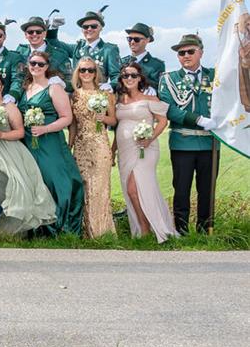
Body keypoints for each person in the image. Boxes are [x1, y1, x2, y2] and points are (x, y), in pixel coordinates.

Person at [0, 71, 56, 234]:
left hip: (7, 152)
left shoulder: (10, 107)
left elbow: (20, 132)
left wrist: (2, 135)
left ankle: (14, 228)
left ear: (2, 87)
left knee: (14, 184)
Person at [158, 33, 219, 234]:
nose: (185, 55)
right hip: (183, 142)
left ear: (201, 52)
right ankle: (181, 231)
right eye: (181, 52)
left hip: (210, 143)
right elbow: (169, 108)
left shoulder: (215, 76)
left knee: (207, 190)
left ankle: (205, 230)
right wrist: (199, 120)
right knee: (182, 189)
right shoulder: (169, 79)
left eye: (190, 51)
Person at [20, 49, 86, 234]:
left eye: (40, 64)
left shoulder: (54, 87)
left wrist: (45, 129)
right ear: (28, 65)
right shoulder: (27, 88)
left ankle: (60, 226)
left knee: (55, 180)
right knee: (37, 181)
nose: (36, 67)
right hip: (30, 143)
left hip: (50, 142)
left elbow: (66, 117)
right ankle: (39, 227)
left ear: (47, 67)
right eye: (33, 63)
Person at [115, 64, 175, 242]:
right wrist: (112, 151)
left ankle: (149, 228)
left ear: (140, 78)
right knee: (130, 189)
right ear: (121, 79)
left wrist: (149, 138)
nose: (129, 78)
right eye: (126, 75)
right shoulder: (120, 100)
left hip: (145, 149)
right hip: (124, 151)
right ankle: (143, 227)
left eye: (133, 75)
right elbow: (118, 126)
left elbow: (162, 122)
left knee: (135, 188)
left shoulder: (150, 98)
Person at [69, 57, 117, 237]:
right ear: (78, 73)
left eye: (90, 70)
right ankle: (84, 230)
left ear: (96, 73)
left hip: (100, 144)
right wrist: (70, 144)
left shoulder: (105, 94)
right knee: (84, 186)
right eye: (83, 70)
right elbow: (73, 124)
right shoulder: (74, 95)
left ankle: (101, 231)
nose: (86, 73)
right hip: (81, 145)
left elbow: (113, 120)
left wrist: (103, 118)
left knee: (99, 187)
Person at [54, 9, 121, 88]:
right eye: (85, 27)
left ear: (101, 28)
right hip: (78, 94)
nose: (89, 29)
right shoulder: (77, 48)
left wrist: (110, 85)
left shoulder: (109, 50)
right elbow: (54, 43)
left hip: (98, 95)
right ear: (82, 30)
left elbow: (117, 76)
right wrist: (53, 29)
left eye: (94, 26)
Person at [15, 15, 74, 89]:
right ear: (26, 35)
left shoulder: (59, 55)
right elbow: (16, 77)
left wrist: (60, 83)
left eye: (38, 31)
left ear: (45, 33)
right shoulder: (20, 51)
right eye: (30, 32)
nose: (34, 34)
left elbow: (70, 81)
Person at [121, 23, 165, 90]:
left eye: (137, 39)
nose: (132, 42)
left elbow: (157, 87)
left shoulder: (157, 65)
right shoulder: (121, 62)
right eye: (129, 39)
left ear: (147, 40)